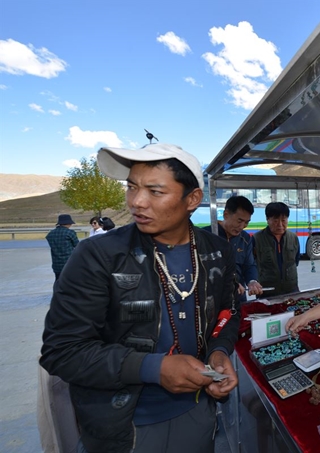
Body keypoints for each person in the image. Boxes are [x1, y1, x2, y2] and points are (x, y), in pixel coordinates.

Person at [40, 143, 240, 453]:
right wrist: (152, 368)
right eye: (132, 188)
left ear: (192, 199)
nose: (137, 202)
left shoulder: (216, 251)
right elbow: (62, 350)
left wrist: (219, 350)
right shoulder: (99, 255)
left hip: (198, 413)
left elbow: (227, 314)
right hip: (123, 427)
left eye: (155, 191)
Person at [204, 195, 263, 302]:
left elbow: (249, 265)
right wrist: (228, 283)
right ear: (226, 215)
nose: (242, 226)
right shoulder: (206, 235)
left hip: (238, 299)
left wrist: (252, 280)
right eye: (239, 221)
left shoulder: (245, 238)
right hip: (213, 299)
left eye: (246, 222)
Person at [253, 202, 301, 297]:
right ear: (267, 219)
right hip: (267, 291)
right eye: (275, 221)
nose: (280, 225)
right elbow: (252, 265)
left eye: (283, 220)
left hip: (291, 290)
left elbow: (296, 261)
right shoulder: (257, 239)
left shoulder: (293, 238)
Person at [45, 214, 79, 281]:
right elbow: (77, 246)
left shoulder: (51, 234)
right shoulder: (70, 233)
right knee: (70, 282)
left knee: (58, 281)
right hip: (69, 263)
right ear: (69, 223)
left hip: (56, 263)